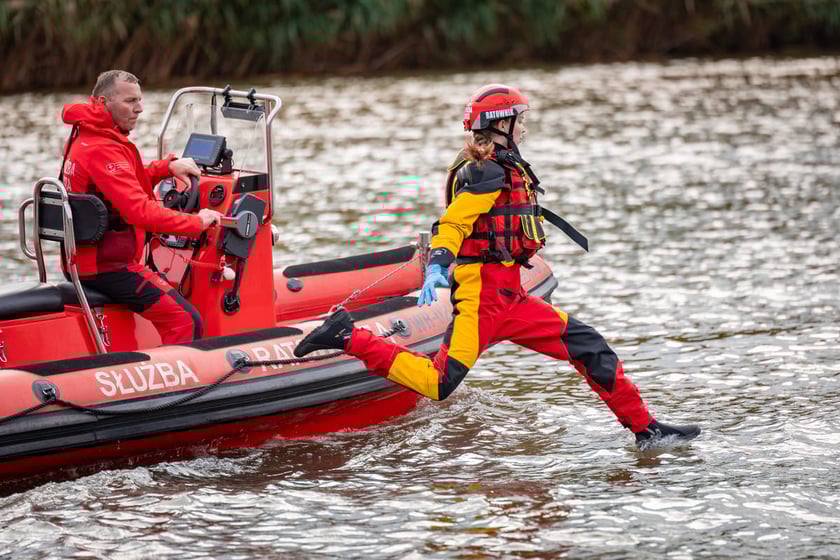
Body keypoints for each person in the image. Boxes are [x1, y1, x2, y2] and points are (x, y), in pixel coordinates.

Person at [295, 84, 700, 449]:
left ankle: (646, 430)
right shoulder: (484, 171)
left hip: (512, 296)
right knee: (439, 383)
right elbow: (453, 224)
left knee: (589, 345)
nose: (524, 128)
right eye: (520, 121)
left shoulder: (502, 166)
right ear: (502, 124)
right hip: (482, 299)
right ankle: (348, 336)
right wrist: (437, 264)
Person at [59, 70, 223, 344]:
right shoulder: (102, 148)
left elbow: (116, 184)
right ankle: (182, 373)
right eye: (130, 101)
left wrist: (165, 167)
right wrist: (198, 222)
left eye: (139, 100)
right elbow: (141, 212)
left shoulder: (84, 135)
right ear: (104, 103)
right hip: (109, 267)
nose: (139, 108)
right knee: (185, 319)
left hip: (82, 261)